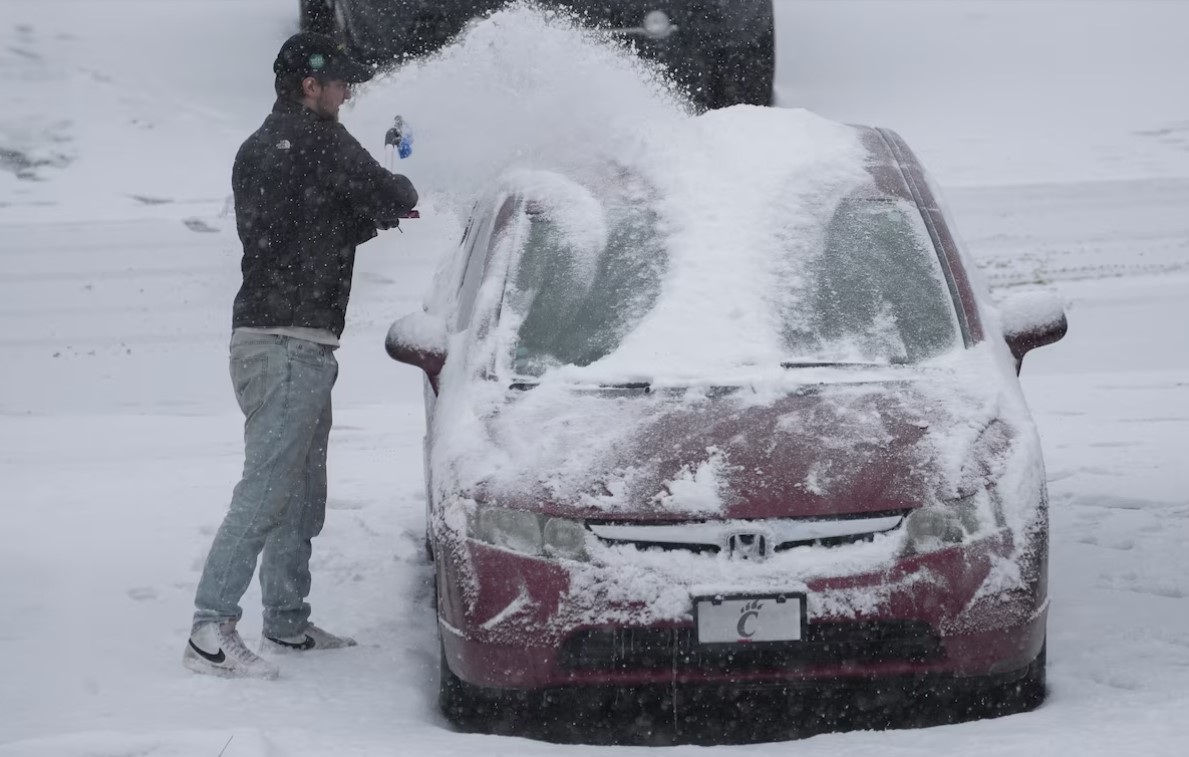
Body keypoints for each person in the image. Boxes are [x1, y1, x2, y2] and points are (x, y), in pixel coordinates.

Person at [183, 32, 418, 679]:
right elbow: (382, 189)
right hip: (284, 345)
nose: (349, 93)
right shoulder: (313, 137)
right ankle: (210, 626)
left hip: (291, 341)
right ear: (309, 85)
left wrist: (377, 213)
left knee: (300, 493)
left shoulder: (269, 147)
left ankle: (286, 620)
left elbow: (315, 228)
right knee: (265, 491)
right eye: (341, 83)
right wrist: (398, 192)